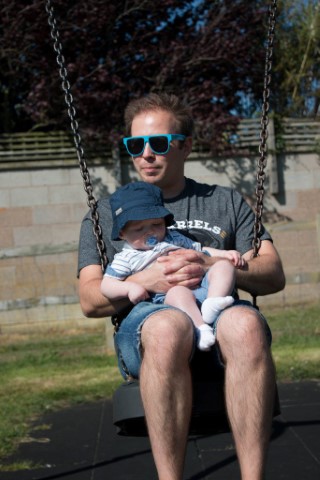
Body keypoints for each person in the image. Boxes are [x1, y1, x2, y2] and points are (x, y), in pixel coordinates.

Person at [78, 92, 285, 480]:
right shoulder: (106, 213)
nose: (146, 154)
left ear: (185, 146)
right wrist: (145, 280)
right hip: (150, 317)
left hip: (217, 307)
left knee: (246, 326)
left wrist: (211, 262)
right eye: (135, 145)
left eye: (158, 143)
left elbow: (273, 273)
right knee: (167, 328)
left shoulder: (225, 201)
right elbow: (90, 299)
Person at [101, 181, 246, 351]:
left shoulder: (173, 237)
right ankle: (201, 328)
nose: (151, 232)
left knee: (224, 266)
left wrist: (224, 254)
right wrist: (129, 288)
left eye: (157, 224)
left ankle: (213, 302)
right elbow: (106, 285)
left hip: (203, 286)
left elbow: (199, 250)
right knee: (179, 292)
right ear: (122, 233)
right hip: (170, 299)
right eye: (139, 229)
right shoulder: (126, 257)